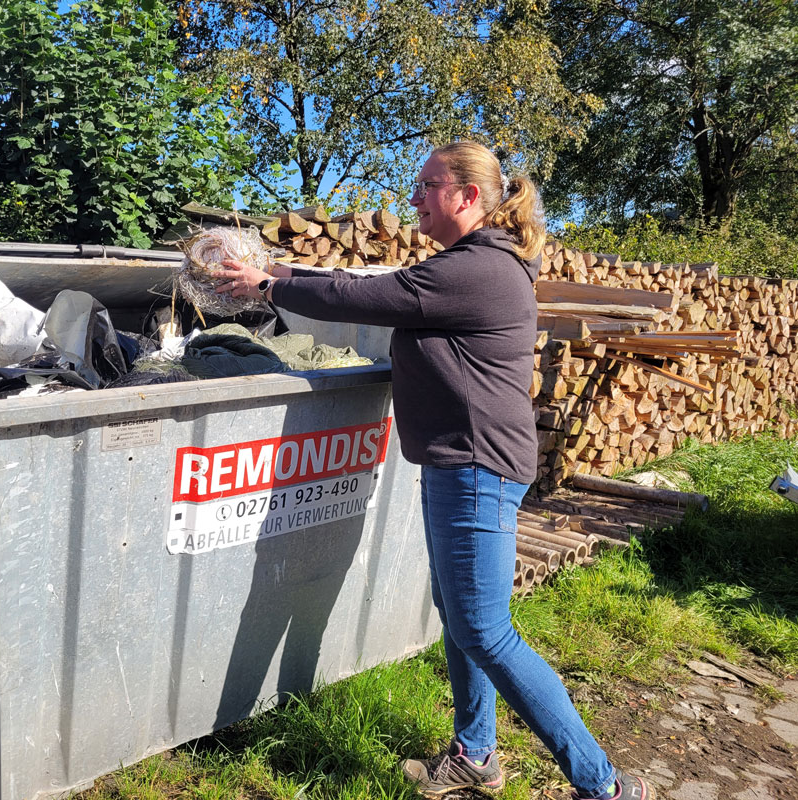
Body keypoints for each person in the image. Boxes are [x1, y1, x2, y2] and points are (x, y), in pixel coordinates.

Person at [215, 141, 656, 800]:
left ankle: (604, 786)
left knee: (485, 630)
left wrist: (270, 285)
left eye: (427, 184)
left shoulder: (476, 269)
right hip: (462, 463)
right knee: (460, 620)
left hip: (476, 466)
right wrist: (274, 268)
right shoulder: (471, 262)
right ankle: (475, 755)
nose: (414, 197)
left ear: (467, 196)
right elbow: (369, 286)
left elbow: (365, 298)